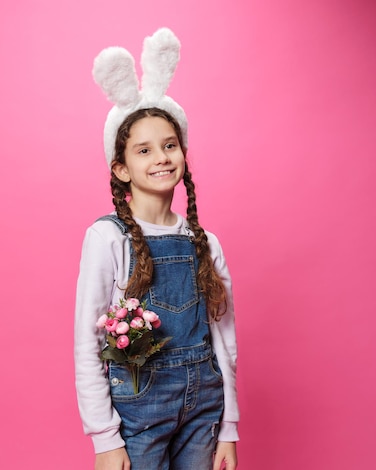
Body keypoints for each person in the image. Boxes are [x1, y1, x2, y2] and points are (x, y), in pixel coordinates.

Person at [74, 28, 239, 470]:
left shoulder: (204, 241)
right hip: (138, 414)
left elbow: (224, 339)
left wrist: (229, 427)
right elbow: (87, 343)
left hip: (204, 409)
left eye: (169, 146)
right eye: (143, 150)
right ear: (121, 168)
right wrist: (105, 439)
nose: (161, 158)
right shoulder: (107, 238)